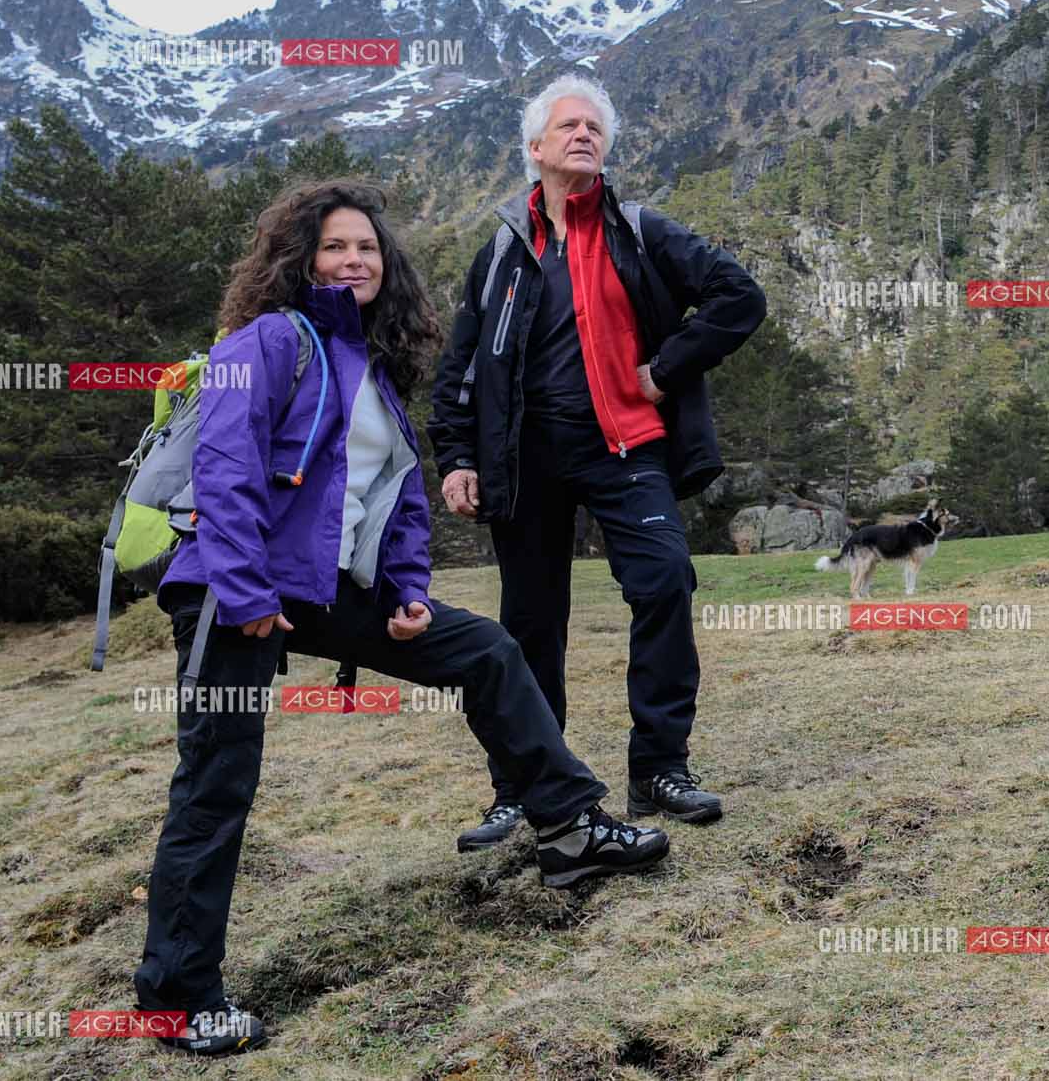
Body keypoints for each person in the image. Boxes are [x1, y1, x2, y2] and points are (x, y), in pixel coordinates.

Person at [133, 180, 668, 1059]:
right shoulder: (263, 342)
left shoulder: (370, 371)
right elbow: (226, 472)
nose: (354, 261)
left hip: (323, 586)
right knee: (216, 779)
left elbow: (398, 502)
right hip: (231, 592)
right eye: (335, 247)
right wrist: (247, 592)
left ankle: (570, 829)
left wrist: (409, 590)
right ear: (297, 259)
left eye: (368, 249)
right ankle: (177, 995)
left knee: (486, 650)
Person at [431, 73, 765, 852]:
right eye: (568, 126)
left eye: (595, 127)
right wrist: (455, 458)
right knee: (530, 627)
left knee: (664, 582)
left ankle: (659, 767)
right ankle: (524, 789)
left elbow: (737, 297)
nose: (584, 134)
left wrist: (666, 367)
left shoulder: (641, 231)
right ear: (535, 149)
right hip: (524, 465)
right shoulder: (502, 255)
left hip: (626, 448)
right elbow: (461, 371)